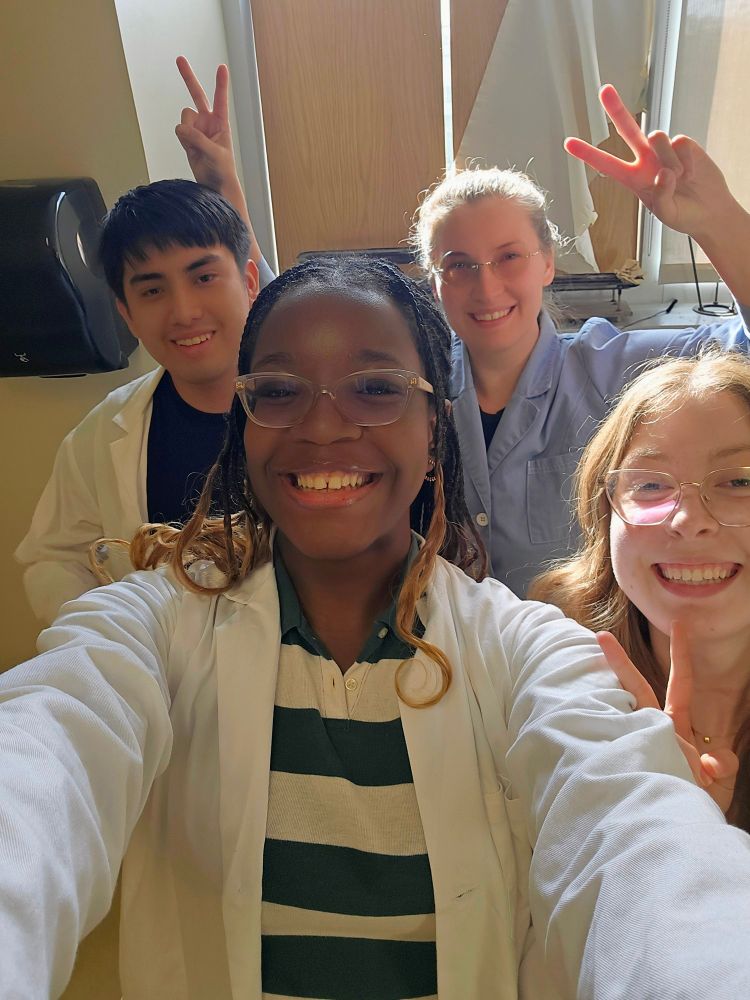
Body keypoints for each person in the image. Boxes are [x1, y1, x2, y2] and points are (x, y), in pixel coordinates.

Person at [2, 257, 750, 1000]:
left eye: (375, 389)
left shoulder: (528, 651)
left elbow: (635, 837)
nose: (324, 425)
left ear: (434, 430)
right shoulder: (150, 628)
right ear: (246, 421)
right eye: (280, 391)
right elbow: (40, 762)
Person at [181, 60, 750, 595]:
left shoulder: (616, 370)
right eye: (459, 266)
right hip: (444, 656)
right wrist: (222, 183)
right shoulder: (407, 380)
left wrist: (717, 218)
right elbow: (291, 325)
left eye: (509, 258)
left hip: (579, 658)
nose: (486, 287)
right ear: (434, 283)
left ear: (548, 262)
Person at [15, 180, 264, 625]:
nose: (184, 311)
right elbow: (52, 558)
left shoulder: (313, 407)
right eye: (152, 291)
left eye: (203, 277)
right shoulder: (102, 432)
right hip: (174, 683)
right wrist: (110, 641)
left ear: (248, 282)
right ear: (126, 312)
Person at [530, 350, 750, 832]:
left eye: (738, 481)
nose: (689, 521)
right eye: (650, 485)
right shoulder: (541, 680)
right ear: (604, 512)